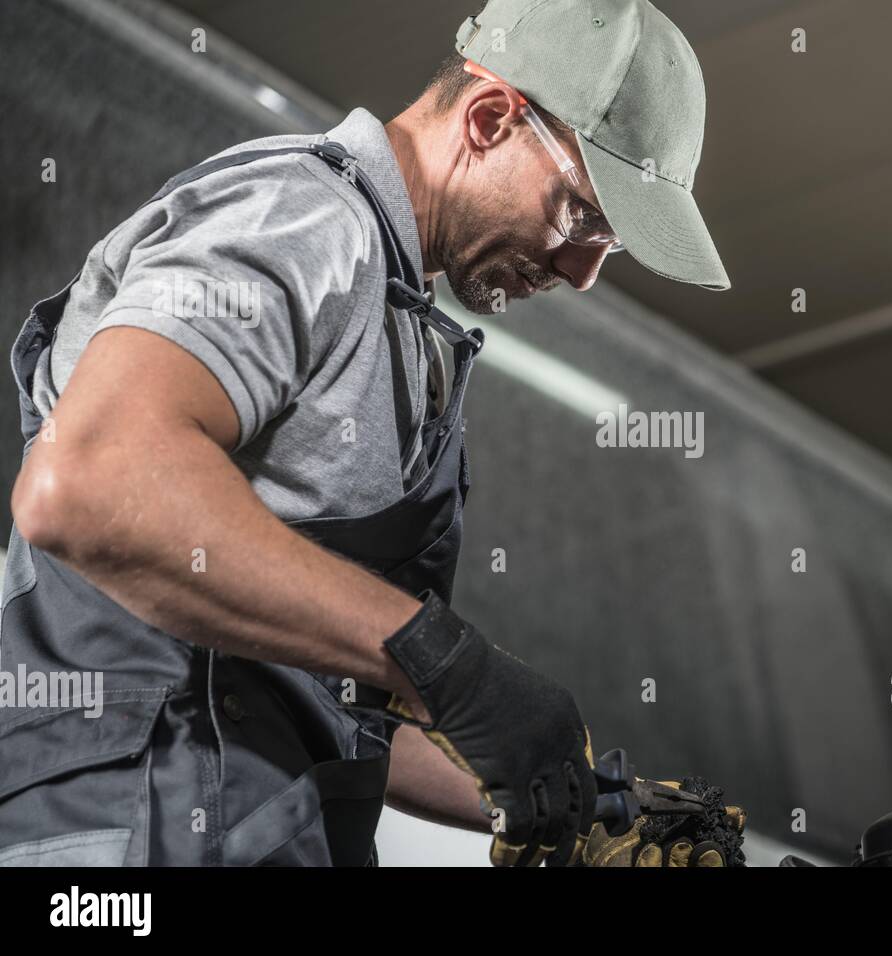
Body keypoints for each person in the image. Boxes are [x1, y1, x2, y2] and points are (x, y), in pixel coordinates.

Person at [0, 0, 736, 866]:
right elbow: (87, 485)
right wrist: (450, 665)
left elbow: (314, 690)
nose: (581, 274)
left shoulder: (394, 315)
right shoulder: (300, 216)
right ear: (491, 118)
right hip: (132, 837)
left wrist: (563, 801)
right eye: (582, 218)